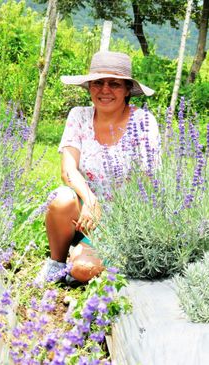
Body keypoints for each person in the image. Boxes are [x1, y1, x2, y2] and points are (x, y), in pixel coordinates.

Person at [38, 51, 161, 285]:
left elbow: (147, 182)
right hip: (82, 211)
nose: (105, 90)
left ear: (127, 90)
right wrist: (90, 200)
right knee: (60, 197)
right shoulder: (79, 116)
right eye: (98, 83)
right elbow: (68, 170)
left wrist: (109, 217)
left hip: (122, 220)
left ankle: (82, 259)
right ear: (89, 87)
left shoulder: (143, 122)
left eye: (114, 84)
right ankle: (56, 263)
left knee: (83, 271)